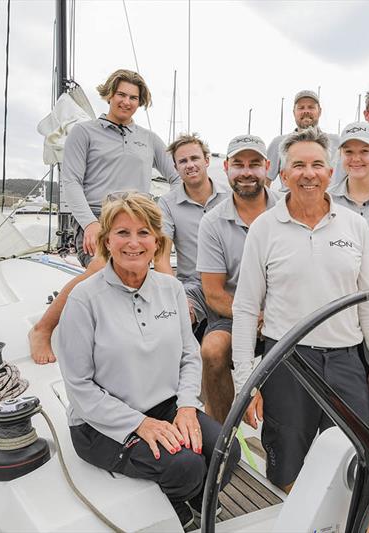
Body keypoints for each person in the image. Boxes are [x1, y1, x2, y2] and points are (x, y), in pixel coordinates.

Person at [232, 127, 369, 491]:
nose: (308, 173)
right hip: (286, 363)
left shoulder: (356, 226)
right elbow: (245, 309)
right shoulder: (264, 229)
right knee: (287, 469)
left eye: (317, 165)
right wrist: (245, 382)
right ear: (284, 174)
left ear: (330, 172)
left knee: (355, 464)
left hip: (346, 362)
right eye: (298, 165)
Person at [57, 193, 240, 530]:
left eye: (143, 232)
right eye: (122, 232)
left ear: (157, 241)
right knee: (185, 467)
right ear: (106, 240)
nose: (133, 242)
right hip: (101, 426)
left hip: (167, 406)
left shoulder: (171, 289)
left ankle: (198, 504)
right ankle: (176, 509)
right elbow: (79, 386)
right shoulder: (84, 299)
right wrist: (138, 423)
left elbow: (188, 355)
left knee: (226, 450)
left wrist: (186, 407)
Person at [30, 69, 180, 364]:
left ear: (141, 102)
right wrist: (90, 223)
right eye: (121, 95)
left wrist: (156, 213)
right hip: (98, 218)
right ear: (109, 95)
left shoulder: (149, 139)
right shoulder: (83, 133)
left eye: (134, 98)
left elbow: (176, 180)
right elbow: (70, 182)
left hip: (139, 220)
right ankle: (43, 329)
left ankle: (170, 338)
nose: (126, 102)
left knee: (163, 272)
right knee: (101, 267)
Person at [196, 134, 278, 422]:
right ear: (227, 167)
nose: (246, 172)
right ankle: (219, 432)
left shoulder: (289, 210)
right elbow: (213, 293)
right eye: (239, 164)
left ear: (267, 167)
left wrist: (274, 316)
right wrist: (254, 317)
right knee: (212, 350)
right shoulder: (212, 222)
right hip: (232, 312)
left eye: (254, 164)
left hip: (284, 311)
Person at [156, 134, 229, 324]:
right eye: (183, 161)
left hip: (231, 283)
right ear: (175, 168)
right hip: (194, 285)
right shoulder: (167, 203)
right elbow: (161, 257)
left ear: (206, 160)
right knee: (173, 315)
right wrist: (176, 296)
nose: (189, 165)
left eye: (194, 158)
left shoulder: (231, 197)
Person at [267, 90, 340, 189]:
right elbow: (264, 182)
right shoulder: (278, 143)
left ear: (320, 112)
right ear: (294, 112)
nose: (306, 111)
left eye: (311, 107)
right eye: (301, 108)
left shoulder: (337, 142)